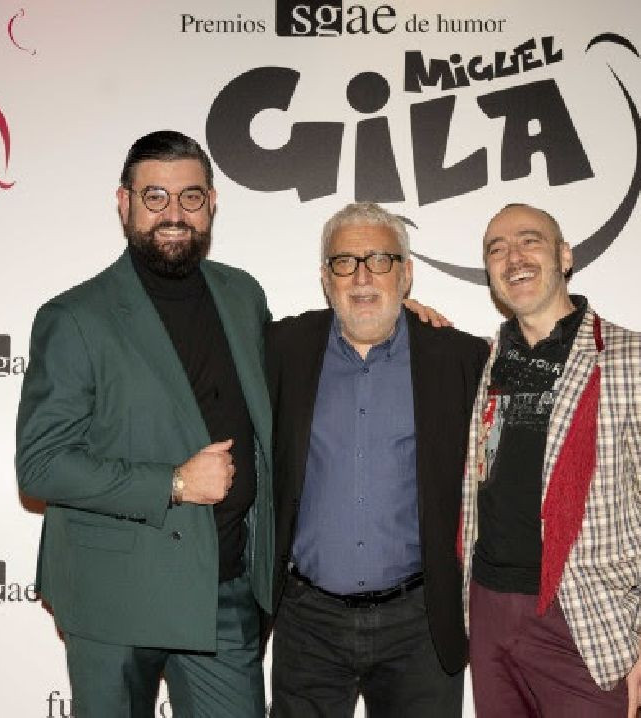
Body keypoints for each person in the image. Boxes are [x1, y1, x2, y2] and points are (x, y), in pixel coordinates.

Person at [15, 130, 273, 717]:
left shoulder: (243, 295)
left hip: (223, 588)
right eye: (155, 197)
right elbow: (41, 465)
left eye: (190, 196)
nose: (174, 214)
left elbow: (292, 368)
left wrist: (399, 321)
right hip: (116, 595)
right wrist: (174, 483)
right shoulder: (75, 316)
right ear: (124, 202)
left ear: (212, 203)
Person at [459, 203, 641, 718]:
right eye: (497, 249)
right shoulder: (483, 361)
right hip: (489, 608)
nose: (513, 257)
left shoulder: (635, 357)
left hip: (584, 620)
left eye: (530, 241)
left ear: (565, 256)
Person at [265, 202, 489, 718]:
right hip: (308, 622)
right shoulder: (282, 348)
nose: (362, 276)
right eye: (344, 262)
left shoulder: (458, 358)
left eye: (380, 260)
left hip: (419, 624)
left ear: (406, 274)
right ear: (326, 278)